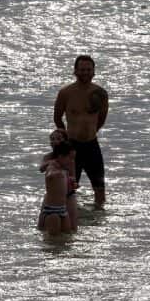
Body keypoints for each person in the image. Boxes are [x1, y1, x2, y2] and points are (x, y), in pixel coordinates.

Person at [54, 55, 110, 208]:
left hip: (92, 145)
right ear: (75, 71)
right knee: (68, 188)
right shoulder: (66, 93)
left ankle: (98, 219)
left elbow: (102, 119)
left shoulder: (100, 94)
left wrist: (91, 131)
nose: (85, 72)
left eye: (88, 69)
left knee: (99, 187)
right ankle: (70, 222)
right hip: (72, 146)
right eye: (82, 69)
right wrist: (65, 138)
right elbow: (57, 118)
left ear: (94, 72)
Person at [38, 137, 76, 235]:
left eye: (73, 158)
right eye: (70, 158)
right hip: (52, 210)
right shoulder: (52, 167)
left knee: (67, 236)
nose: (71, 161)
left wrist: (72, 183)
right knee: (53, 240)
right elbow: (49, 173)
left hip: (63, 209)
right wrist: (54, 174)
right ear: (60, 156)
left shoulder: (64, 169)